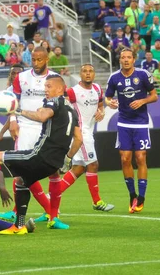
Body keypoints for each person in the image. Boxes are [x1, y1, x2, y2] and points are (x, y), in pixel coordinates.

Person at [0, 74, 82, 232]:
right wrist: (68, 159)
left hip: (39, 156)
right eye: (44, 87)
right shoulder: (72, 111)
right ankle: (19, 226)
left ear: (60, 88)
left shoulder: (55, 101)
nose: (45, 90)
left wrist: (18, 110)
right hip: (54, 163)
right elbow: (78, 139)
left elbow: (42, 116)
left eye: (49, 86)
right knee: (22, 181)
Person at [0, 47, 56, 222]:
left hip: (46, 128)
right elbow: (13, 101)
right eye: (33, 59)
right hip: (25, 127)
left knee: (53, 172)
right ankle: (43, 213)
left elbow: (60, 102)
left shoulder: (55, 79)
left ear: (46, 59)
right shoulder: (21, 78)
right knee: (21, 171)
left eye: (40, 59)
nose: (36, 63)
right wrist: (13, 121)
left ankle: (52, 213)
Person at [105, 48, 158, 213]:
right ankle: (132, 194)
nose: (126, 60)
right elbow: (107, 97)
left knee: (140, 157)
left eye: (129, 57)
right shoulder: (114, 77)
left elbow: (154, 96)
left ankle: (141, 197)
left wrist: (142, 101)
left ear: (134, 59)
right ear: (120, 59)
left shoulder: (143, 75)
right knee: (125, 159)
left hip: (141, 122)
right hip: (124, 123)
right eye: (123, 57)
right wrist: (110, 103)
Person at [59, 64, 114, 211]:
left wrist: (101, 112)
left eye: (91, 71)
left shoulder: (97, 89)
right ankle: (97, 201)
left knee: (78, 169)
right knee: (93, 165)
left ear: (94, 74)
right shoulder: (73, 92)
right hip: (80, 133)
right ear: (80, 74)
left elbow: (101, 106)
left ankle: (51, 196)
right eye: (84, 71)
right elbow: (62, 108)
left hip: (89, 131)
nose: (88, 74)